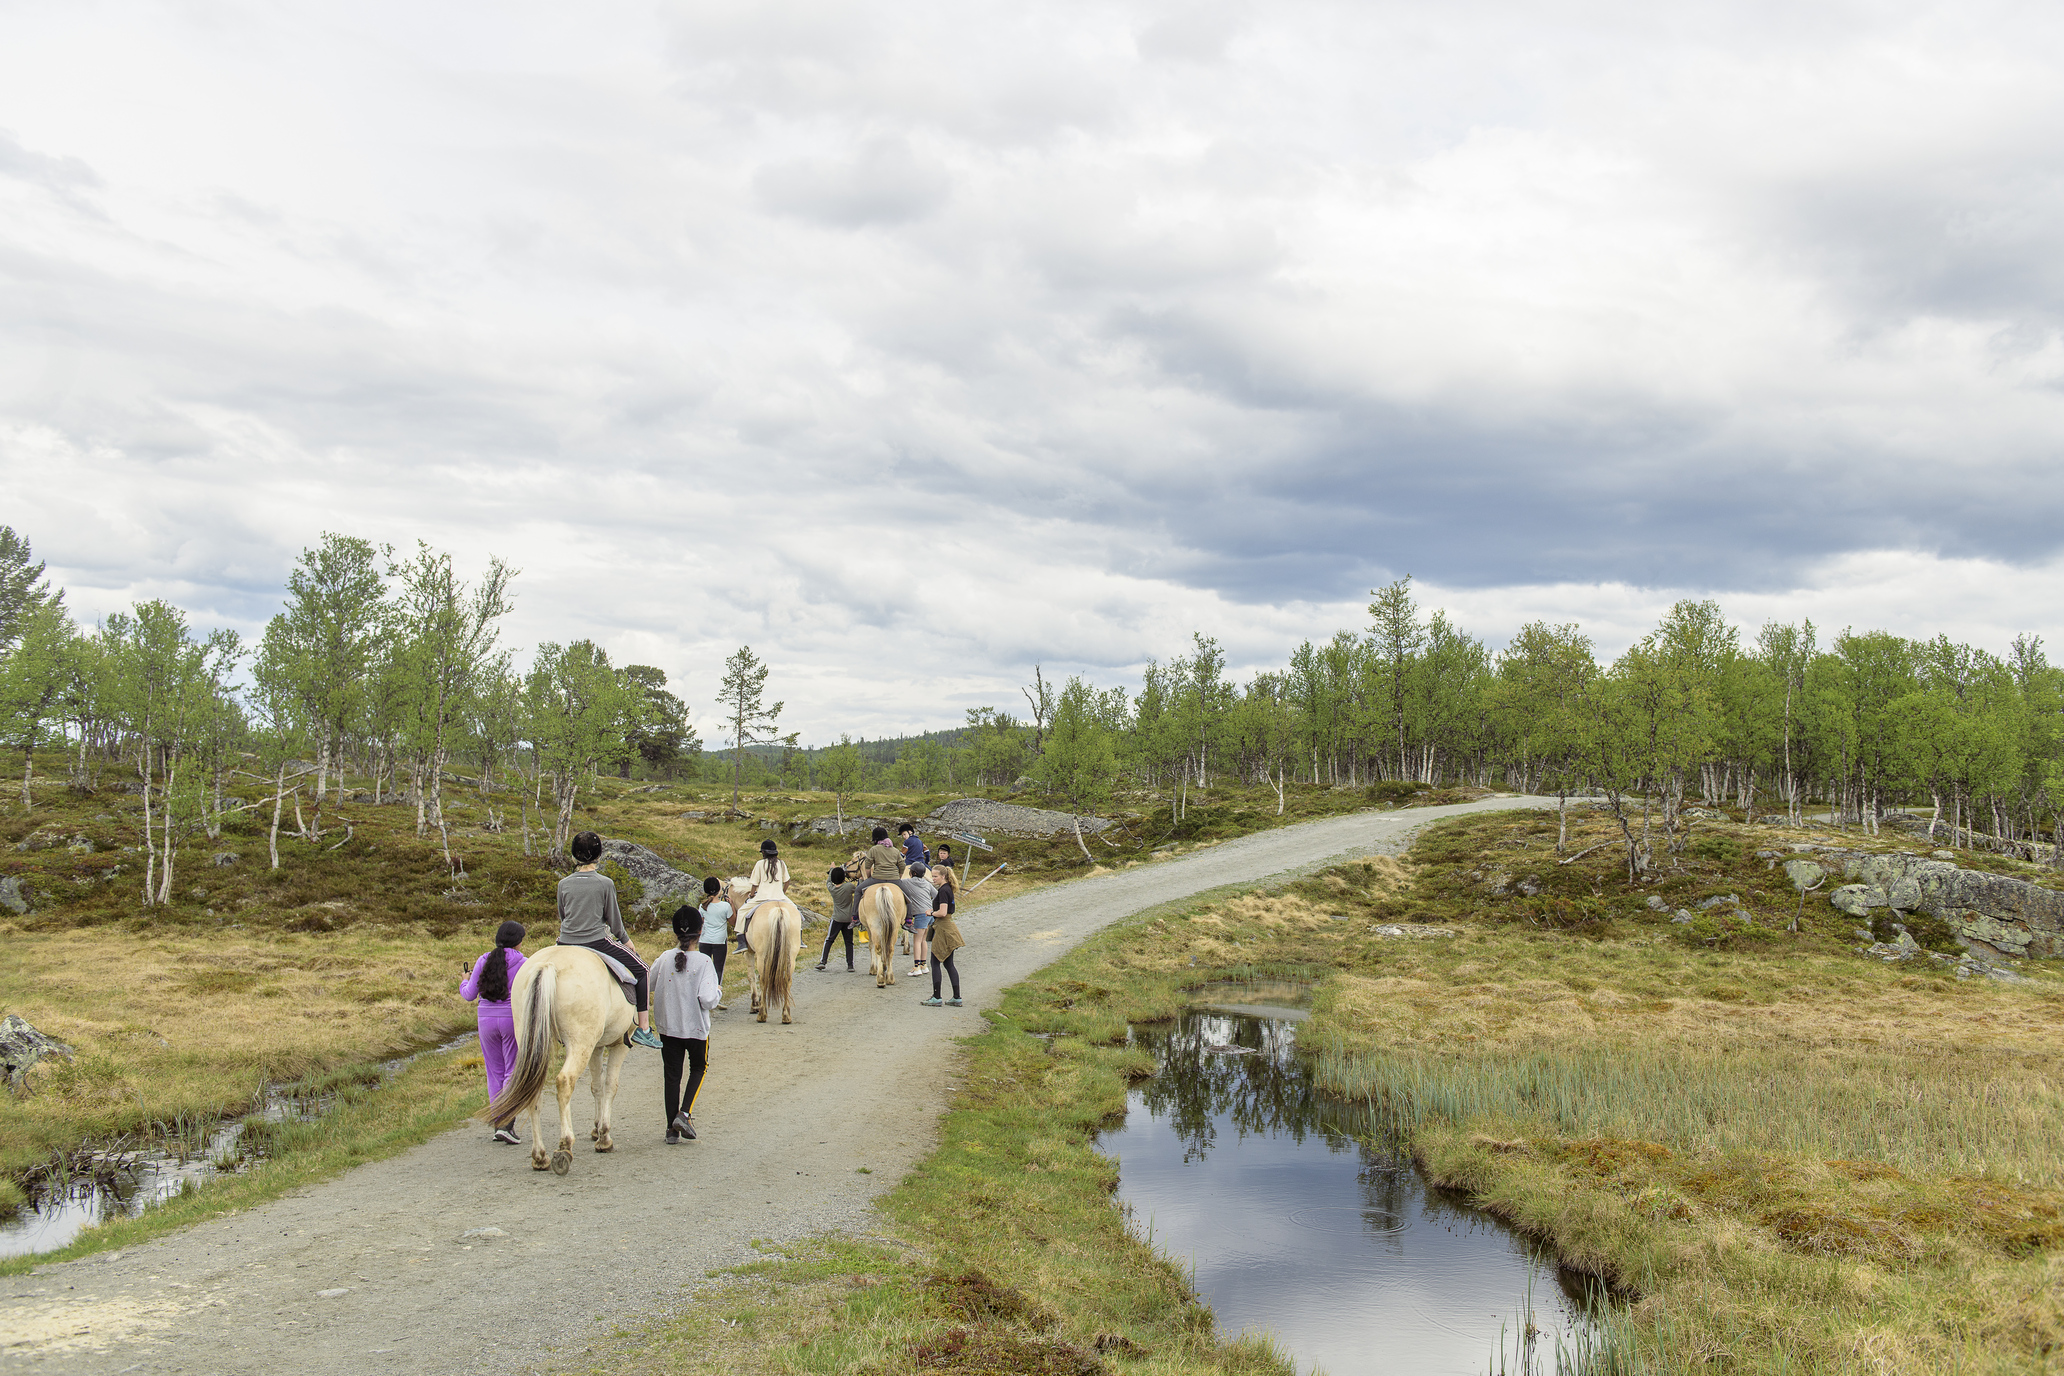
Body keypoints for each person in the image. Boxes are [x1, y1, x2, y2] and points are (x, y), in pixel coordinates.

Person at [556, 831, 662, 1049]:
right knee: (642, 970)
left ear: (574, 855)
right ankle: (643, 1029)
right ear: (598, 855)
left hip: (564, 942)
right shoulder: (605, 883)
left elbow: (563, 916)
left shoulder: (563, 884)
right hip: (595, 941)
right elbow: (614, 920)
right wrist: (626, 940)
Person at [649, 905, 721, 1143]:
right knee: (699, 1067)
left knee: (672, 1075)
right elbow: (708, 999)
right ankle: (685, 1113)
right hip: (696, 1030)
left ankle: (671, 1129)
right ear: (701, 931)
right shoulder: (703, 962)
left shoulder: (665, 958)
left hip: (669, 1028)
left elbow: (649, 983)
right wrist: (718, 991)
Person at [460, 919, 528, 1143]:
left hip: (485, 1019)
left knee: (494, 1072)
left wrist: (464, 981)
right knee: (512, 1070)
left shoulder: (483, 960)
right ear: (518, 942)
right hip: (511, 1019)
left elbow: (469, 995)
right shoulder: (525, 963)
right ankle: (508, 1123)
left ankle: (498, 1122)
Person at [735, 840, 791, 952]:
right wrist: (782, 892)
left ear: (764, 852)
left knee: (741, 912)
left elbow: (755, 884)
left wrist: (751, 895)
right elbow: (787, 881)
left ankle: (741, 942)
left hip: (762, 897)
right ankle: (799, 936)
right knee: (796, 911)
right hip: (780, 897)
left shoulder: (760, 864)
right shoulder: (781, 863)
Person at [921, 875, 965, 1008]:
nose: (933, 878)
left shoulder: (943, 890)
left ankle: (936, 997)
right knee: (948, 963)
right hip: (948, 928)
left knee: (935, 962)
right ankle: (956, 997)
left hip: (943, 928)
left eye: (935, 876)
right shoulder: (948, 889)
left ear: (943, 876)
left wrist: (931, 913)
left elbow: (943, 912)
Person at [699, 877, 733, 1012]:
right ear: (719, 890)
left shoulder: (702, 906)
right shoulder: (725, 906)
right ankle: (715, 997)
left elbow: (700, 923)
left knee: (703, 969)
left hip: (704, 940)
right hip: (719, 941)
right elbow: (732, 922)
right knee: (718, 969)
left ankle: (702, 994)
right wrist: (732, 906)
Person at [818, 865, 858, 971]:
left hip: (836, 918)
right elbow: (858, 889)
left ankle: (823, 961)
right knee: (849, 942)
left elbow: (828, 881)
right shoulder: (849, 887)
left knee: (829, 939)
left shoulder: (832, 889)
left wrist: (831, 869)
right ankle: (850, 965)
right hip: (848, 919)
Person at [904, 861, 938, 977]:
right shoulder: (926, 883)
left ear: (912, 873)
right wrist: (931, 907)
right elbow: (936, 895)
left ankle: (916, 967)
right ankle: (924, 965)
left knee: (917, 941)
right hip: (929, 914)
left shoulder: (908, 882)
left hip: (919, 914)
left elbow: (898, 884)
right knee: (923, 940)